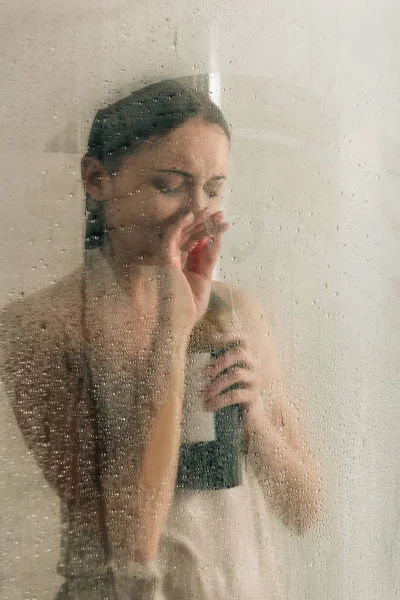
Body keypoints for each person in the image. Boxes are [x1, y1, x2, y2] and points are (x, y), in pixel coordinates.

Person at [0, 79, 321, 600]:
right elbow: (131, 543)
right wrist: (171, 336)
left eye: (213, 190)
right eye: (171, 185)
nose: (197, 213)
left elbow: (304, 511)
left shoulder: (238, 312)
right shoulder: (40, 327)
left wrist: (255, 420)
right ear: (97, 179)